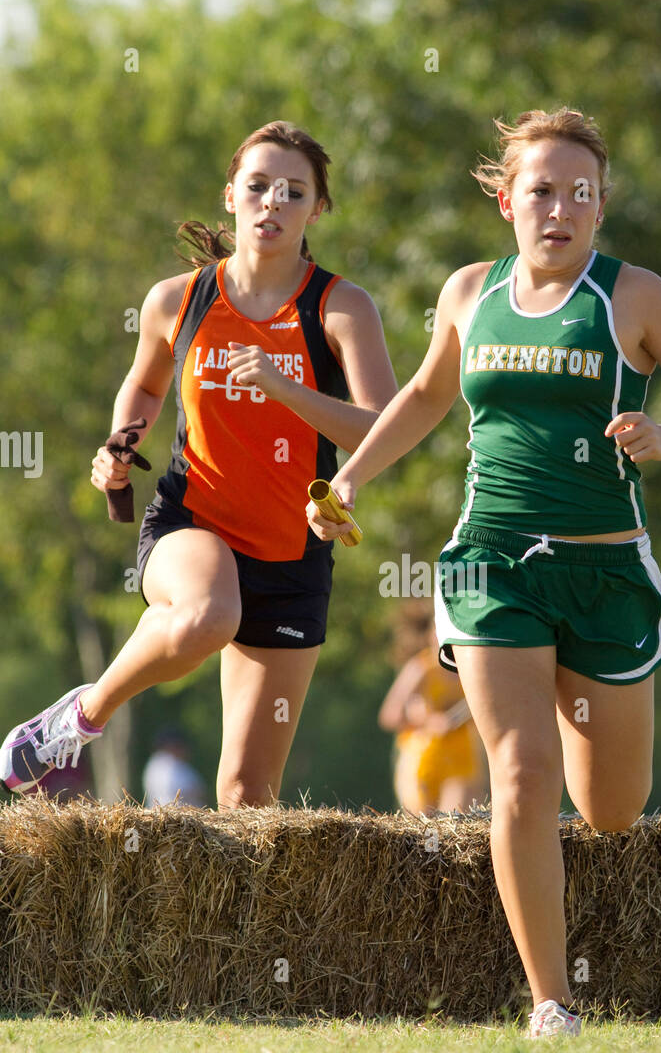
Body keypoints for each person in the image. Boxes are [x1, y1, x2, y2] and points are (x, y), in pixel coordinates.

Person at [308, 108, 661, 1038]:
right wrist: (348, 474)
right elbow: (426, 397)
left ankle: (564, 684)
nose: (559, 208)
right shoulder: (471, 292)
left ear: (600, 208)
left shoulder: (636, 298)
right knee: (519, 771)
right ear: (507, 199)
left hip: (606, 578)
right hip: (492, 567)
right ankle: (551, 1002)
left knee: (612, 811)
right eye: (541, 190)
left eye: (578, 193)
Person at [1, 121, 397, 806]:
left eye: (293, 191)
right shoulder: (178, 299)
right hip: (193, 523)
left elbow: (384, 426)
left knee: (248, 793)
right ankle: (83, 716)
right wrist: (119, 445)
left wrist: (286, 388)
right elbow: (148, 385)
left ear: (317, 209)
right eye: (258, 186)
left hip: (291, 556)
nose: (273, 201)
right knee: (208, 615)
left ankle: (236, 920)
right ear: (232, 197)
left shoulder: (341, 307)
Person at [378, 608, 488, 814]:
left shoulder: (473, 670)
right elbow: (391, 715)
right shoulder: (422, 667)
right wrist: (429, 721)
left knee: (456, 823)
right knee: (424, 831)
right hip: (422, 757)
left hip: (462, 757)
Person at [142, 729, 207, 807]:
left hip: (175, 813)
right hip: (172, 814)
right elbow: (192, 790)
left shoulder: (177, 764)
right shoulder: (162, 763)